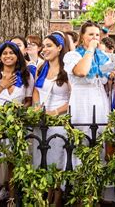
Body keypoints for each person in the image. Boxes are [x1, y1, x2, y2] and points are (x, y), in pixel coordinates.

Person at [32, 33, 70, 206]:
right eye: (44, 46)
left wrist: (54, 112)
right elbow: (36, 90)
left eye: (49, 46)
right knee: (41, 162)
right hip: (41, 120)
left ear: (60, 48)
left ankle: (56, 200)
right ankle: (43, 199)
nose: (45, 49)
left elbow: (72, 99)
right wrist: (36, 106)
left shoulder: (67, 70)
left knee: (56, 162)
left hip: (59, 121)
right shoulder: (41, 68)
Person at [0, 42, 34, 107]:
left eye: (11, 53)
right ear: (0, 57)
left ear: (17, 57)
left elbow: (29, 101)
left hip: (17, 116)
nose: (8, 56)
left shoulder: (26, 75)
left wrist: (19, 113)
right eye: (4, 53)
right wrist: (1, 87)